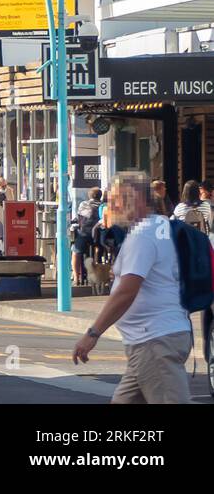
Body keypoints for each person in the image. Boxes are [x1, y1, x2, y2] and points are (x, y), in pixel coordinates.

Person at [72, 172, 194, 404]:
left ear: (135, 199)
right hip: (149, 342)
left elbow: (127, 291)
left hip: (155, 342)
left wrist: (93, 333)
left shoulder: (144, 235)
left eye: (116, 199)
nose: (111, 205)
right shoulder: (161, 226)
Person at [72, 187, 103, 284]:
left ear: (89, 196)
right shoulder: (103, 205)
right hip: (98, 236)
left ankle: (76, 277)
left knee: (75, 251)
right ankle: (98, 271)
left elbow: (79, 218)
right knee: (100, 249)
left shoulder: (83, 204)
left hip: (85, 234)